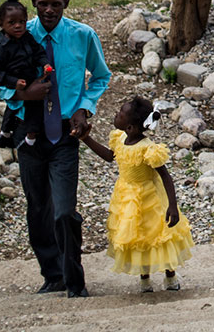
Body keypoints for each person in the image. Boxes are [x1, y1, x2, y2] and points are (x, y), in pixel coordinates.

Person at [0, 0, 110, 299]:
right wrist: (23, 93)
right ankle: (52, 275)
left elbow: (101, 76)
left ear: (66, 3)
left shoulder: (83, 36)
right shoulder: (14, 35)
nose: (49, 10)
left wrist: (85, 107)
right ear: (34, 3)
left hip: (65, 135)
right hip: (29, 134)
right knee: (39, 207)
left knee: (64, 211)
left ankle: (75, 281)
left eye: (56, 3)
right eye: (43, 3)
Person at [80, 96, 194, 293]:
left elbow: (165, 177)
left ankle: (170, 274)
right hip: (127, 196)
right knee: (137, 236)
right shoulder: (120, 138)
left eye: (120, 114)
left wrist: (172, 206)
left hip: (150, 197)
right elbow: (109, 156)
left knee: (158, 234)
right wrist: (85, 139)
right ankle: (145, 278)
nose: (116, 114)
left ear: (131, 127)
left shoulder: (148, 149)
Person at [0, 0, 49, 149]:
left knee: (33, 107)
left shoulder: (27, 37)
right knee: (14, 105)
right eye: (12, 22)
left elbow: (38, 52)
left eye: (22, 22)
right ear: (1, 24)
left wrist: (45, 64)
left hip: (30, 79)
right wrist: (14, 83)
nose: (18, 26)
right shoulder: (0, 48)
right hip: (15, 82)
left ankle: (30, 136)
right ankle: (6, 132)